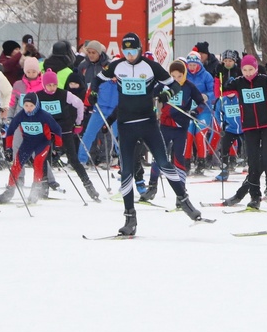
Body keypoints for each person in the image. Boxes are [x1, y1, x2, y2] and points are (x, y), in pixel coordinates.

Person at [92, 32, 203, 236]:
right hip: (126, 125)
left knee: (164, 163)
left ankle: (184, 201)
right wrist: (91, 92)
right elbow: (97, 80)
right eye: (126, 51)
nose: (130, 55)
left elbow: (176, 85)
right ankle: (129, 218)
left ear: (140, 50)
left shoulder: (151, 67)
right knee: (126, 171)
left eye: (133, 50)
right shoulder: (117, 66)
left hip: (148, 123)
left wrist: (165, 94)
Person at [221, 54, 267, 209]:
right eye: (245, 70)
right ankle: (255, 195)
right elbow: (221, 93)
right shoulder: (239, 82)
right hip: (249, 126)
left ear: (255, 68)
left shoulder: (262, 80)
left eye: (251, 69)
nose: (248, 72)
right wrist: (220, 77)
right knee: (253, 161)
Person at [145, 59, 208, 203]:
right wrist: (155, 102)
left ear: (184, 74)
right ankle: (152, 186)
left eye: (179, 76)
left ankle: (181, 191)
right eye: (173, 76)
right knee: (159, 156)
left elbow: (201, 103)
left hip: (181, 128)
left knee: (178, 158)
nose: (176, 79)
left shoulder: (189, 86)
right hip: (165, 126)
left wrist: (194, 112)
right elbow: (151, 96)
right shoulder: (163, 85)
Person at [34, 68, 97, 201]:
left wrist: (79, 122)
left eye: (55, 85)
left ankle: (89, 186)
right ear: (44, 85)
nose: (52, 88)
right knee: (42, 158)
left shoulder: (64, 94)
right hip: (46, 131)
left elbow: (79, 104)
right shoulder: (38, 96)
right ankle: (44, 187)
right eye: (49, 85)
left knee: (73, 160)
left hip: (64, 130)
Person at [0, 92, 63, 204]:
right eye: (26, 106)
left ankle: (35, 191)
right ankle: (9, 191)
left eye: (31, 106)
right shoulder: (21, 115)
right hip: (27, 143)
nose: (29, 109)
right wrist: (8, 148)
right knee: (16, 164)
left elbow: (57, 130)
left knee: (38, 162)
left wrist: (58, 146)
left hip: (42, 143)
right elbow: (10, 131)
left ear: (36, 105)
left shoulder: (43, 115)